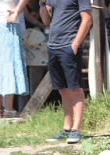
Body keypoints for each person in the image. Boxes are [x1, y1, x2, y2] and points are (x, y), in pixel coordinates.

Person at [40, 0, 91, 143]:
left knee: (75, 88)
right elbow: (46, 20)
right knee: (62, 89)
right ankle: (67, 127)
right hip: (53, 46)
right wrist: (42, 3)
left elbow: (87, 19)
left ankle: (76, 129)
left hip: (69, 46)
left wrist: (75, 44)